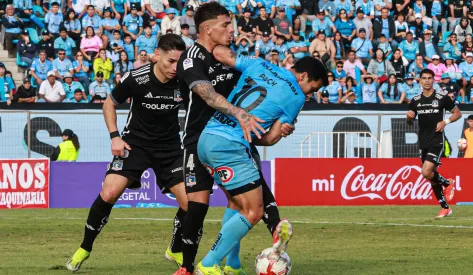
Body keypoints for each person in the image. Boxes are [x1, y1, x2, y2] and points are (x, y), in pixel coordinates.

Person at [175, 3, 290, 275]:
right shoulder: (192, 58)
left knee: (242, 201)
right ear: (207, 28)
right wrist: (240, 113)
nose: (232, 29)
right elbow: (207, 94)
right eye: (226, 25)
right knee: (198, 207)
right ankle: (186, 267)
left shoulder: (228, 57)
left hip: (233, 138)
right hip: (198, 140)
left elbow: (254, 89)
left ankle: (232, 263)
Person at [195, 48, 325, 275]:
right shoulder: (295, 97)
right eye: (311, 89)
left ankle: (232, 264)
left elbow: (221, 53)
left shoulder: (259, 64)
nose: (309, 95)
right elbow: (268, 139)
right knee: (254, 211)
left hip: (207, 138)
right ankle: (208, 264)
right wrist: (282, 131)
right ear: (303, 77)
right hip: (230, 146)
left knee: (237, 204)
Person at [66, 34, 189, 272]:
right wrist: (115, 137)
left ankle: (174, 249)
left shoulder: (185, 79)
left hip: (170, 148)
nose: (175, 67)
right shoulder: (137, 78)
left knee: (191, 203)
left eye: (179, 61)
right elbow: (109, 103)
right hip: (135, 145)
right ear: (158, 55)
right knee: (109, 192)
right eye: (170, 61)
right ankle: (85, 248)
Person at [406, 68, 461, 219]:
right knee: (430, 176)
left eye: (430, 78)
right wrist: (409, 118)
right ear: (420, 81)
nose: (427, 81)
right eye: (424, 78)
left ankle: (448, 183)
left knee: (425, 172)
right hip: (423, 142)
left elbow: (458, 113)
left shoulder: (441, 98)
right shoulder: (415, 100)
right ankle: (445, 208)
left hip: (437, 141)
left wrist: (446, 121)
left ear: (433, 80)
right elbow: (410, 123)